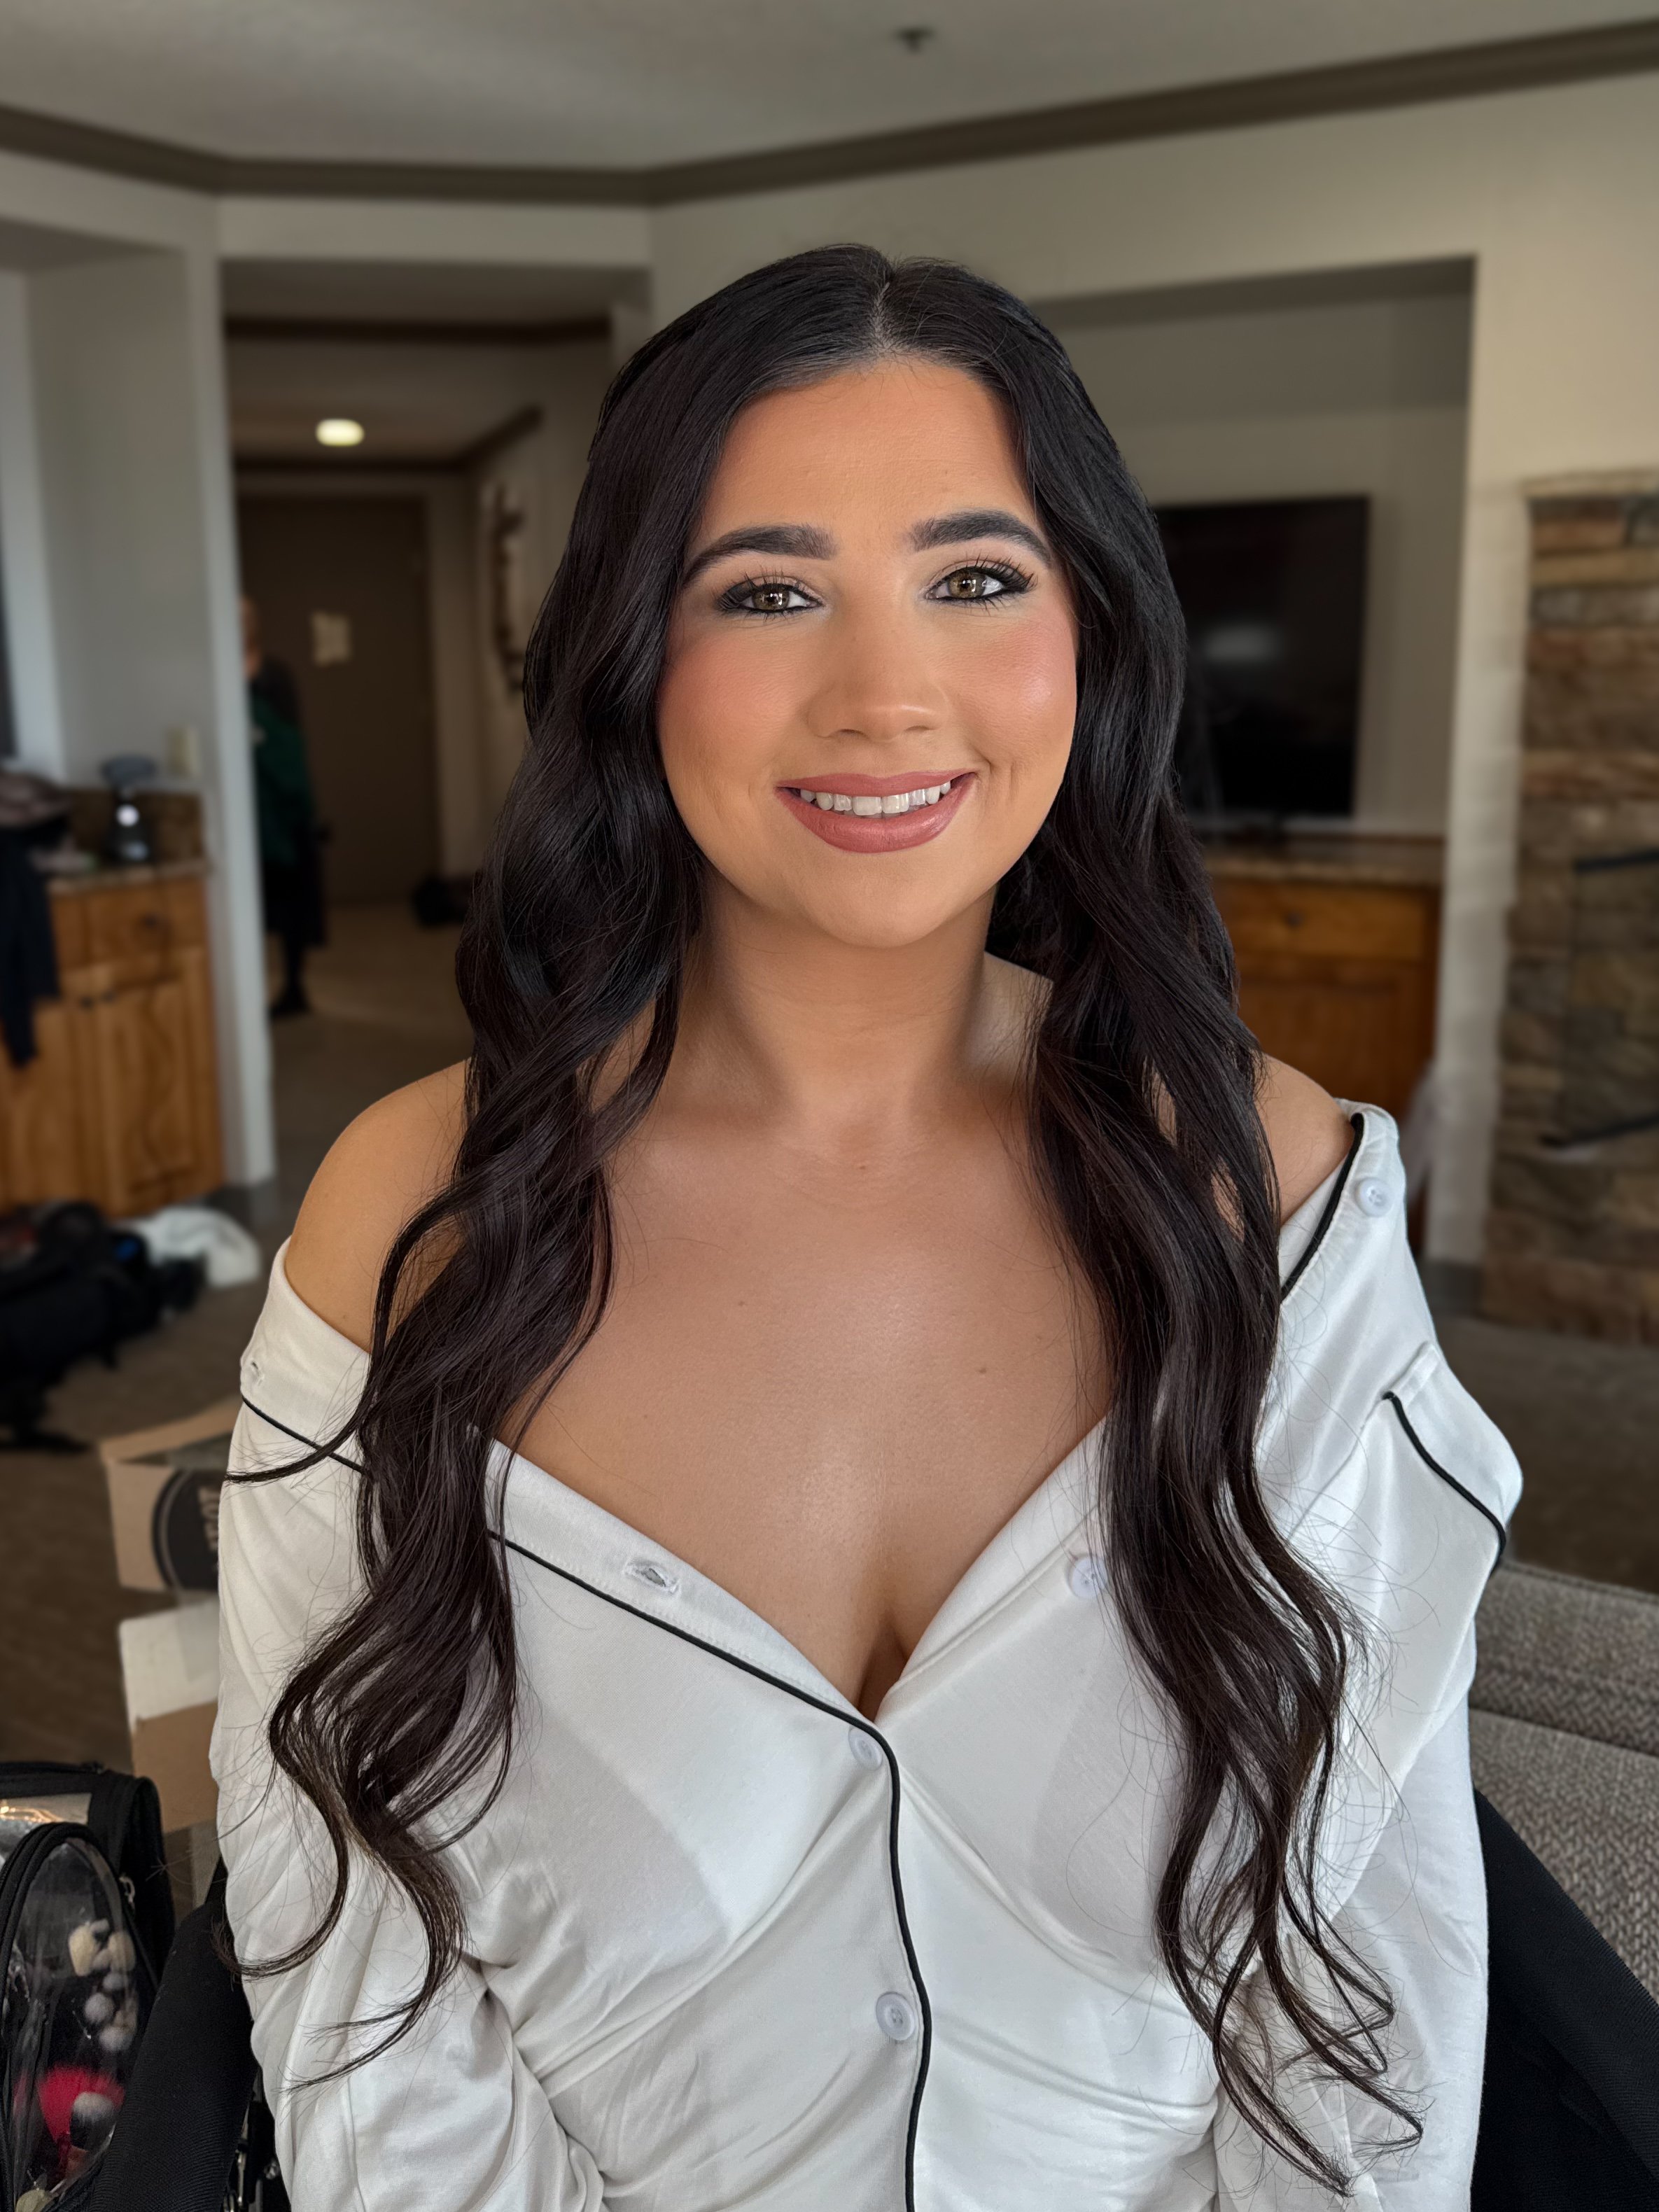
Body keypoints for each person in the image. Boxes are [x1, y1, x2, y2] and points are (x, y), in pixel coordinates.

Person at [212, 248, 1521, 2209]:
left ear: (1090, 629)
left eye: (976, 578)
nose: (884, 690)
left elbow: (1371, 1946)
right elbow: (342, 1937)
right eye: (768, 588)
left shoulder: (1277, 1188)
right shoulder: (418, 1214)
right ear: (634, 651)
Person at [242, 595, 325, 1017]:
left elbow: (290, 743)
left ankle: (294, 986)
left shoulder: (276, 676)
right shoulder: (217, 673)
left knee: (292, 905)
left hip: (282, 809)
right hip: (244, 815)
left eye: (245, 617)